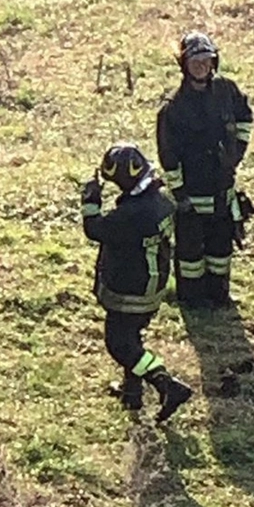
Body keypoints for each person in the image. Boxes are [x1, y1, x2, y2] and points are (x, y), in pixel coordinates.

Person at [80, 142, 194, 422]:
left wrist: (90, 203)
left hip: (130, 289)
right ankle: (132, 393)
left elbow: (95, 230)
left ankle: (165, 383)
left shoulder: (131, 216)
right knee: (133, 337)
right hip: (153, 285)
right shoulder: (162, 200)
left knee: (120, 345)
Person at [156, 30, 254, 309]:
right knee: (190, 254)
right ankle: (192, 298)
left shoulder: (226, 91)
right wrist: (180, 195)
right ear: (184, 65)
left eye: (207, 60)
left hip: (222, 189)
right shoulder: (173, 108)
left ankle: (219, 294)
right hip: (192, 194)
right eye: (195, 61)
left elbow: (245, 116)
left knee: (221, 249)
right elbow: (168, 157)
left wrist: (238, 151)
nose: (202, 66)